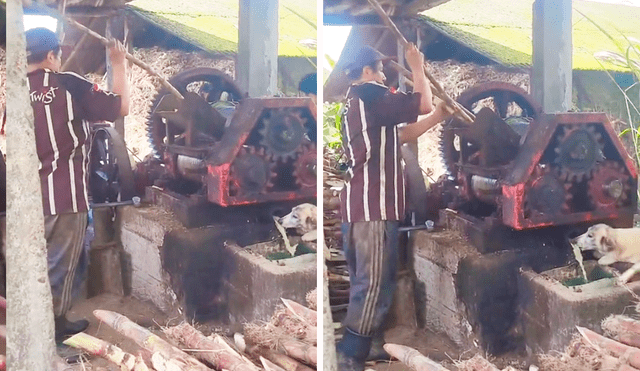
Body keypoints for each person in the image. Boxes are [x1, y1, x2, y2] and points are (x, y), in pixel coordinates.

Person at [336, 44, 450, 371]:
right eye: (381, 68)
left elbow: (401, 135)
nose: (386, 74)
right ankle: (350, 357)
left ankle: (366, 344)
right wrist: (417, 65)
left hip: (357, 206)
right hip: (374, 206)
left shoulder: (354, 102)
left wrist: (441, 114)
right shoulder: (371, 94)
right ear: (368, 71)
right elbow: (422, 103)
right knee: (372, 284)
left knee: (365, 280)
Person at [25, 27, 130, 343]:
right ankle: (49, 338)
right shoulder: (68, 83)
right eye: (57, 55)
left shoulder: (15, 93)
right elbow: (121, 107)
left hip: (28, 199)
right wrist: (119, 62)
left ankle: (47, 323)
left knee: (37, 265)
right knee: (60, 267)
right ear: (51, 56)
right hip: (65, 195)